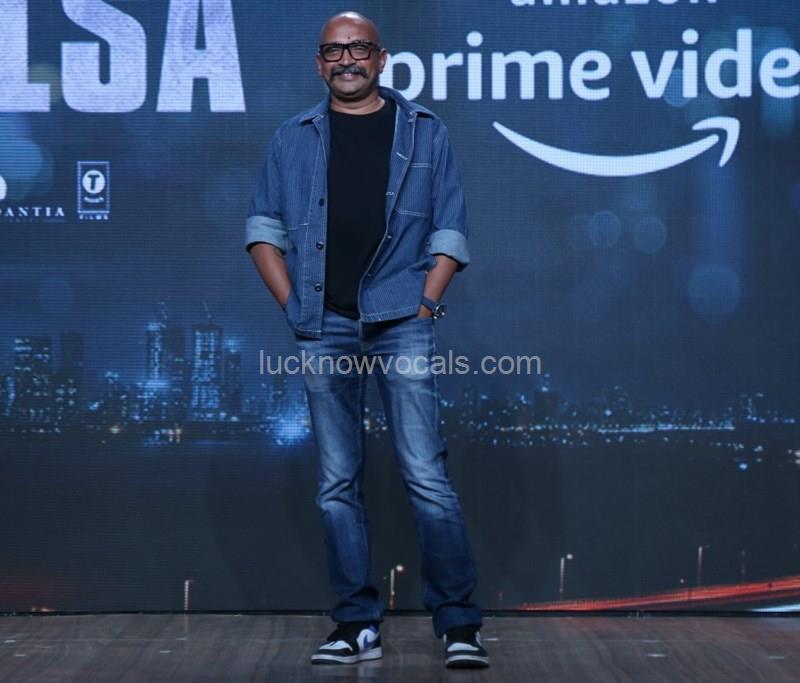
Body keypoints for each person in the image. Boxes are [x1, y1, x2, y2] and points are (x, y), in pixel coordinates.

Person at [245, 10, 489, 669]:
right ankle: (356, 623)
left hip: (402, 319)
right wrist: (295, 305)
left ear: (381, 59)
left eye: (358, 49)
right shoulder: (292, 137)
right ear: (318, 64)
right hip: (322, 323)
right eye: (333, 50)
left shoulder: (426, 131)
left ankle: (459, 624)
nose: (346, 59)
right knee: (336, 481)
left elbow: (450, 228)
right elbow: (263, 229)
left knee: (425, 472)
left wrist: (426, 301)